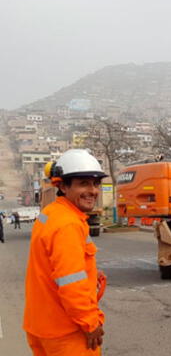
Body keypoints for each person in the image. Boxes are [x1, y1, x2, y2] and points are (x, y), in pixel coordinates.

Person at [24, 149, 107, 356]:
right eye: (83, 183)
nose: (93, 190)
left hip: (41, 325)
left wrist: (90, 273)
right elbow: (71, 283)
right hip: (66, 333)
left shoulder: (51, 213)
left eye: (95, 183)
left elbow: (53, 265)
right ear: (62, 186)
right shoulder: (68, 224)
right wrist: (90, 323)